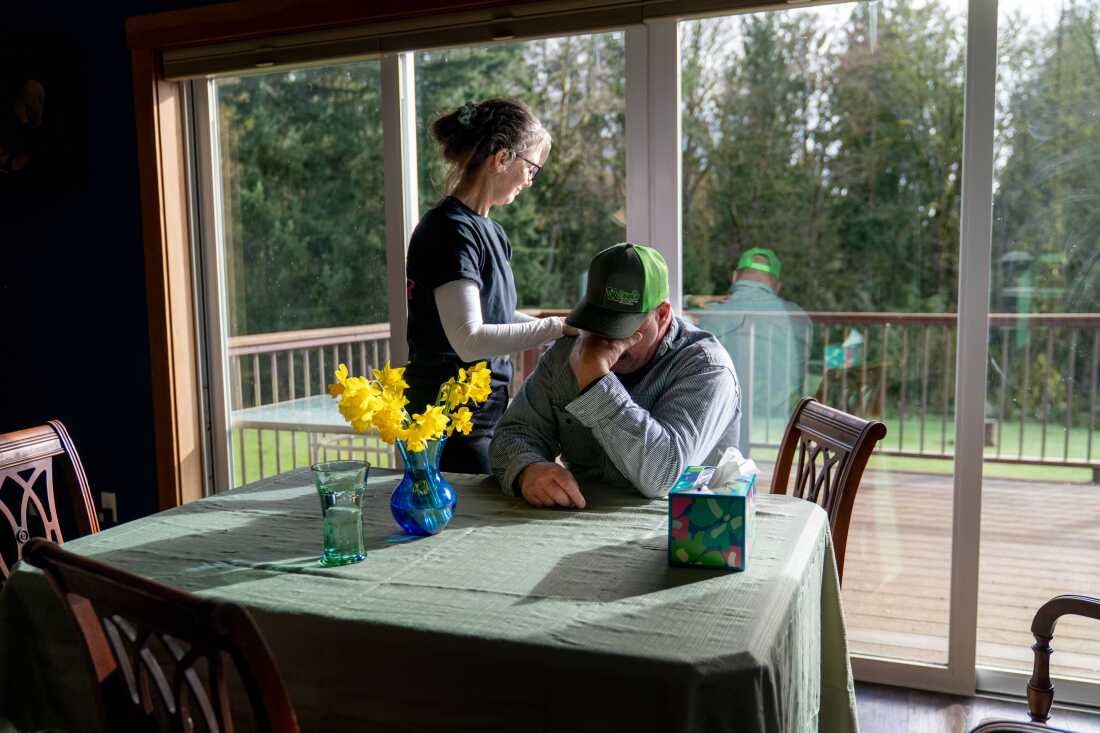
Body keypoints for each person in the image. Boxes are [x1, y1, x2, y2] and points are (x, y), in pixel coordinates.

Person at [490, 243, 741, 507]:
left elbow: (663, 477)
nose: (606, 338)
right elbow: (512, 433)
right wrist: (528, 469)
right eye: (598, 321)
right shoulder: (568, 351)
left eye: (622, 327)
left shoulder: (706, 367)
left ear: (663, 314)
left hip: (685, 530)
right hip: (576, 520)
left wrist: (597, 384)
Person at [404, 99, 571, 474]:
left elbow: (495, 314)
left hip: (485, 411)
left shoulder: (490, 231)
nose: (530, 181)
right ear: (501, 158)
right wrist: (553, 328)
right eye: (531, 168)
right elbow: (469, 338)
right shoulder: (448, 230)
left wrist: (561, 328)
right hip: (449, 419)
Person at [694, 247, 811, 457]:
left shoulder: (708, 315)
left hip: (716, 433)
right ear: (777, 286)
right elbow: (801, 372)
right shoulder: (797, 317)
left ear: (734, 277)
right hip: (778, 434)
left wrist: (690, 300)